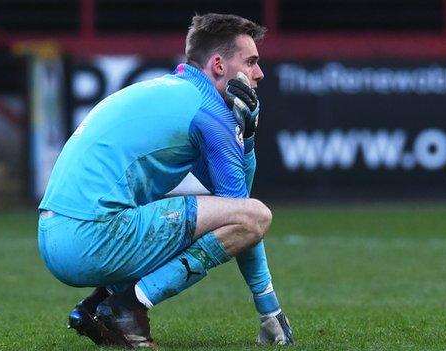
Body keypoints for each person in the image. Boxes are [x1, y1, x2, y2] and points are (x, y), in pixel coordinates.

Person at [37, 13, 293, 348]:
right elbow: (243, 213)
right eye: (251, 61)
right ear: (218, 65)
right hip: (89, 239)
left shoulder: (172, 91)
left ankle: (97, 306)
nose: (259, 73)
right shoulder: (210, 113)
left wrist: (243, 138)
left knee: (214, 218)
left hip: (53, 233)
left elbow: (229, 200)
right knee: (256, 216)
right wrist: (268, 309)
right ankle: (126, 308)